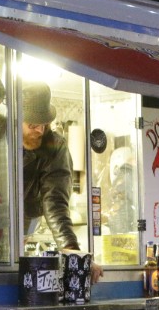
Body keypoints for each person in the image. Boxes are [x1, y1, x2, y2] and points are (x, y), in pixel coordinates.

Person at [21, 81, 102, 281]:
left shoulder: (54, 146)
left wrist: (73, 253)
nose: (40, 130)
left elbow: (55, 204)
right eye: (33, 124)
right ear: (16, 120)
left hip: (25, 224)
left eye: (44, 124)